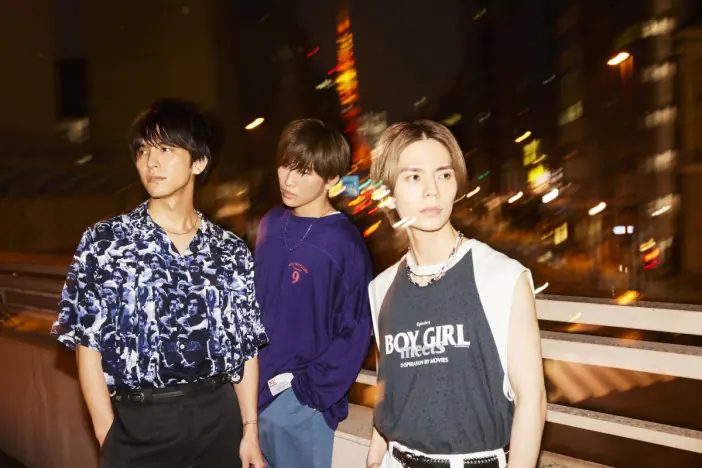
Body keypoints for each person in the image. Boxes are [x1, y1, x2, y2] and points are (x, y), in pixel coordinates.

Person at [51, 99, 268, 468]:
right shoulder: (105, 243)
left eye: (165, 149)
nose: (150, 162)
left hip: (219, 420)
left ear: (198, 162)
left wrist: (250, 431)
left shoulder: (229, 250)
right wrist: (107, 435)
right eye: (143, 151)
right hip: (139, 425)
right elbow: (87, 346)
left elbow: (245, 348)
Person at [365, 121, 546, 468]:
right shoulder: (381, 288)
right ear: (389, 190)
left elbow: (532, 399)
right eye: (413, 176)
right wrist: (374, 460)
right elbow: (390, 388)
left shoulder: (503, 277)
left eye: (444, 175)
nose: (431, 191)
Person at [254, 119, 373, 467]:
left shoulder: (343, 242)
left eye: (304, 172)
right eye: (285, 165)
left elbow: (355, 328)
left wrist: (306, 394)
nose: (288, 180)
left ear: (331, 179)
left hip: (299, 405)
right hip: (253, 397)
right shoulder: (270, 224)